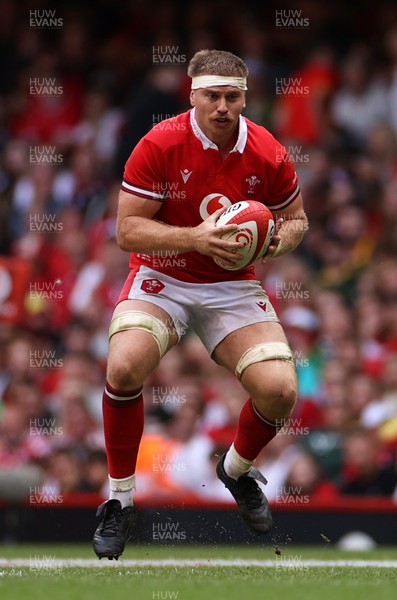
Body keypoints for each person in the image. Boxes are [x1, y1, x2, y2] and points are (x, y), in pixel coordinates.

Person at [92, 49, 308, 559]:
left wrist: (278, 242)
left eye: (232, 96)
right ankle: (120, 502)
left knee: (279, 392)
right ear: (192, 95)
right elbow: (126, 230)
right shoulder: (159, 143)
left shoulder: (268, 150)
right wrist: (195, 239)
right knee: (123, 368)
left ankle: (234, 471)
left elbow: (296, 219)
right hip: (162, 273)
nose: (222, 106)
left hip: (232, 284)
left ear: (244, 98)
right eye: (212, 95)